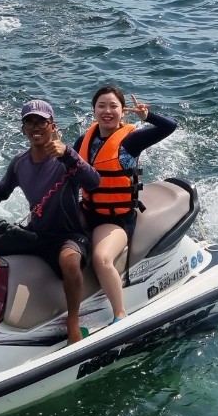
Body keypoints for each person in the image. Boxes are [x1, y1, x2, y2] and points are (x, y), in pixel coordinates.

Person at [0, 99, 101, 343]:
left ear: (52, 126)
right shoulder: (20, 162)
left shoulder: (66, 158)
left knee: (69, 260)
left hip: (68, 235)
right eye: (29, 122)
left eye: (41, 122)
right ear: (23, 128)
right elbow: (0, 191)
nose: (36, 127)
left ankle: (73, 321)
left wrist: (68, 155)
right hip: (36, 233)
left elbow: (93, 181)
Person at [72, 86, 177, 324]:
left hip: (115, 219)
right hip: (88, 209)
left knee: (102, 259)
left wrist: (147, 117)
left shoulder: (131, 140)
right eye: (101, 106)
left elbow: (169, 127)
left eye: (113, 106)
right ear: (94, 110)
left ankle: (120, 314)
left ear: (123, 111)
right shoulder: (84, 140)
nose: (107, 111)